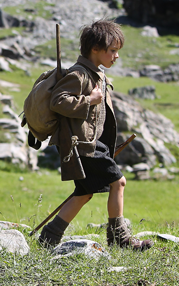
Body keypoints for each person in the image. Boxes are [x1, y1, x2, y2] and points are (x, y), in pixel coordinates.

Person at [38, 19, 152, 251]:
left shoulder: (95, 74)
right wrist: (89, 100)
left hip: (89, 143)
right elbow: (58, 101)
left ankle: (47, 240)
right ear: (95, 49)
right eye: (112, 51)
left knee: (84, 193)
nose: (116, 56)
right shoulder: (79, 74)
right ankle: (120, 239)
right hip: (81, 144)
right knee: (118, 182)